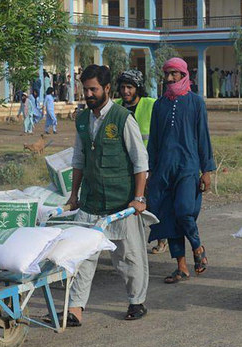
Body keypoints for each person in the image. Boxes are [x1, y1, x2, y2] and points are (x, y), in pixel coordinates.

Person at [64, 64, 151, 325]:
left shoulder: (123, 118)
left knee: (128, 258)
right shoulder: (82, 120)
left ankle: (136, 301)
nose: (88, 94)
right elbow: (78, 160)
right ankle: (75, 309)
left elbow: (140, 161)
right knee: (83, 258)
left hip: (120, 202)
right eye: (85, 89)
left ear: (107, 89)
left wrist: (139, 198)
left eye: (93, 89)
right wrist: (73, 196)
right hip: (91, 202)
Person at [146, 57, 216, 284]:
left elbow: (203, 137)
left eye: (174, 74)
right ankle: (181, 267)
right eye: (167, 74)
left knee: (184, 210)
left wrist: (206, 170)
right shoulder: (159, 105)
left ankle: (197, 246)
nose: (169, 78)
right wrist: (148, 172)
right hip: (163, 170)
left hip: (188, 166)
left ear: (184, 74)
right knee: (169, 216)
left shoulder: (196, 102)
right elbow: (154, 141)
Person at [113, 69, 168, 254]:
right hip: (125, 167)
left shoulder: (151, 105)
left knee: (152, 204)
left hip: (148, 165)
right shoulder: (116, 107)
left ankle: (161, 238)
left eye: (130, 87)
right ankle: (131, 244)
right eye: (123, 87)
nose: (126, 91)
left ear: (138, 88)